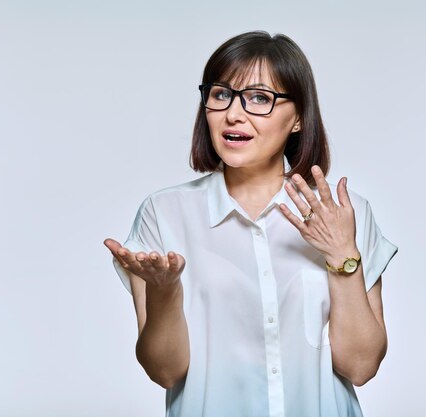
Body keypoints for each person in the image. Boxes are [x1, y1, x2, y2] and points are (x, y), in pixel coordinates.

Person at [104, 31, 398, 417]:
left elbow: (360, 367)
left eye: (260, 98)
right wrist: (165, 293)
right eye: (221, 94)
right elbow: (165, 371)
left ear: (298, 119)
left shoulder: (344, 212)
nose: (233, 113)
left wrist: (343, 254)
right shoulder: (164, 213)